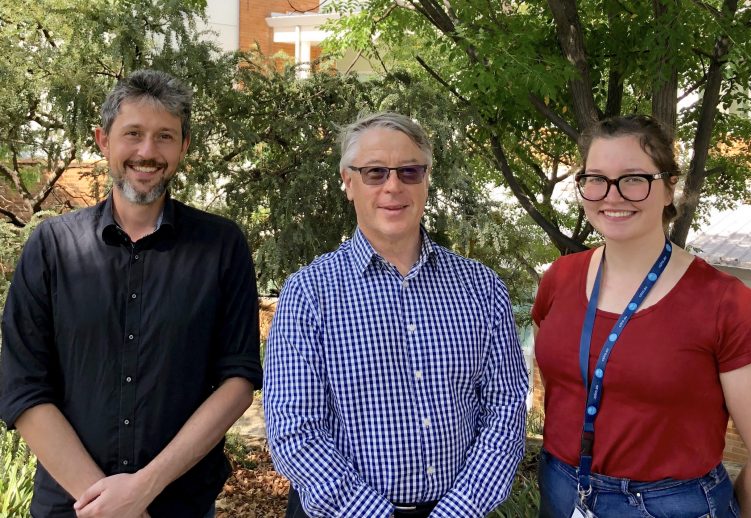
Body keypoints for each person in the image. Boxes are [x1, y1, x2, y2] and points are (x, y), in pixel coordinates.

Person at [0, 69, 262, 518]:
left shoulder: (221, 246)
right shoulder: (53, 247)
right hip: (70, 505)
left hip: (180, 504)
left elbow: (238, 379)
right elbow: (21, 384)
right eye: (133, 134)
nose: (147, 152)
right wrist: (107, 502)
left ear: (184, 147)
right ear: (103, 141)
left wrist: (144, 488)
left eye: (164, 136)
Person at [532, 115, 751, 518]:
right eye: (596, 178)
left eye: (634, 178)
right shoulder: (560, 278)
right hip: (561, 490)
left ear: (669, 187)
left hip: (669, 505)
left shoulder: (727, 305)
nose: (613, 195)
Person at [264, 112, 529, 518]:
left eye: (409, 171)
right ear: (348, 182)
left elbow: (506, 406)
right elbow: (295, 428)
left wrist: (459, 510)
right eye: (374, 172)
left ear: (426, 181)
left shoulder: (482, 288)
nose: (393, 186)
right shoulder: (309, 294)